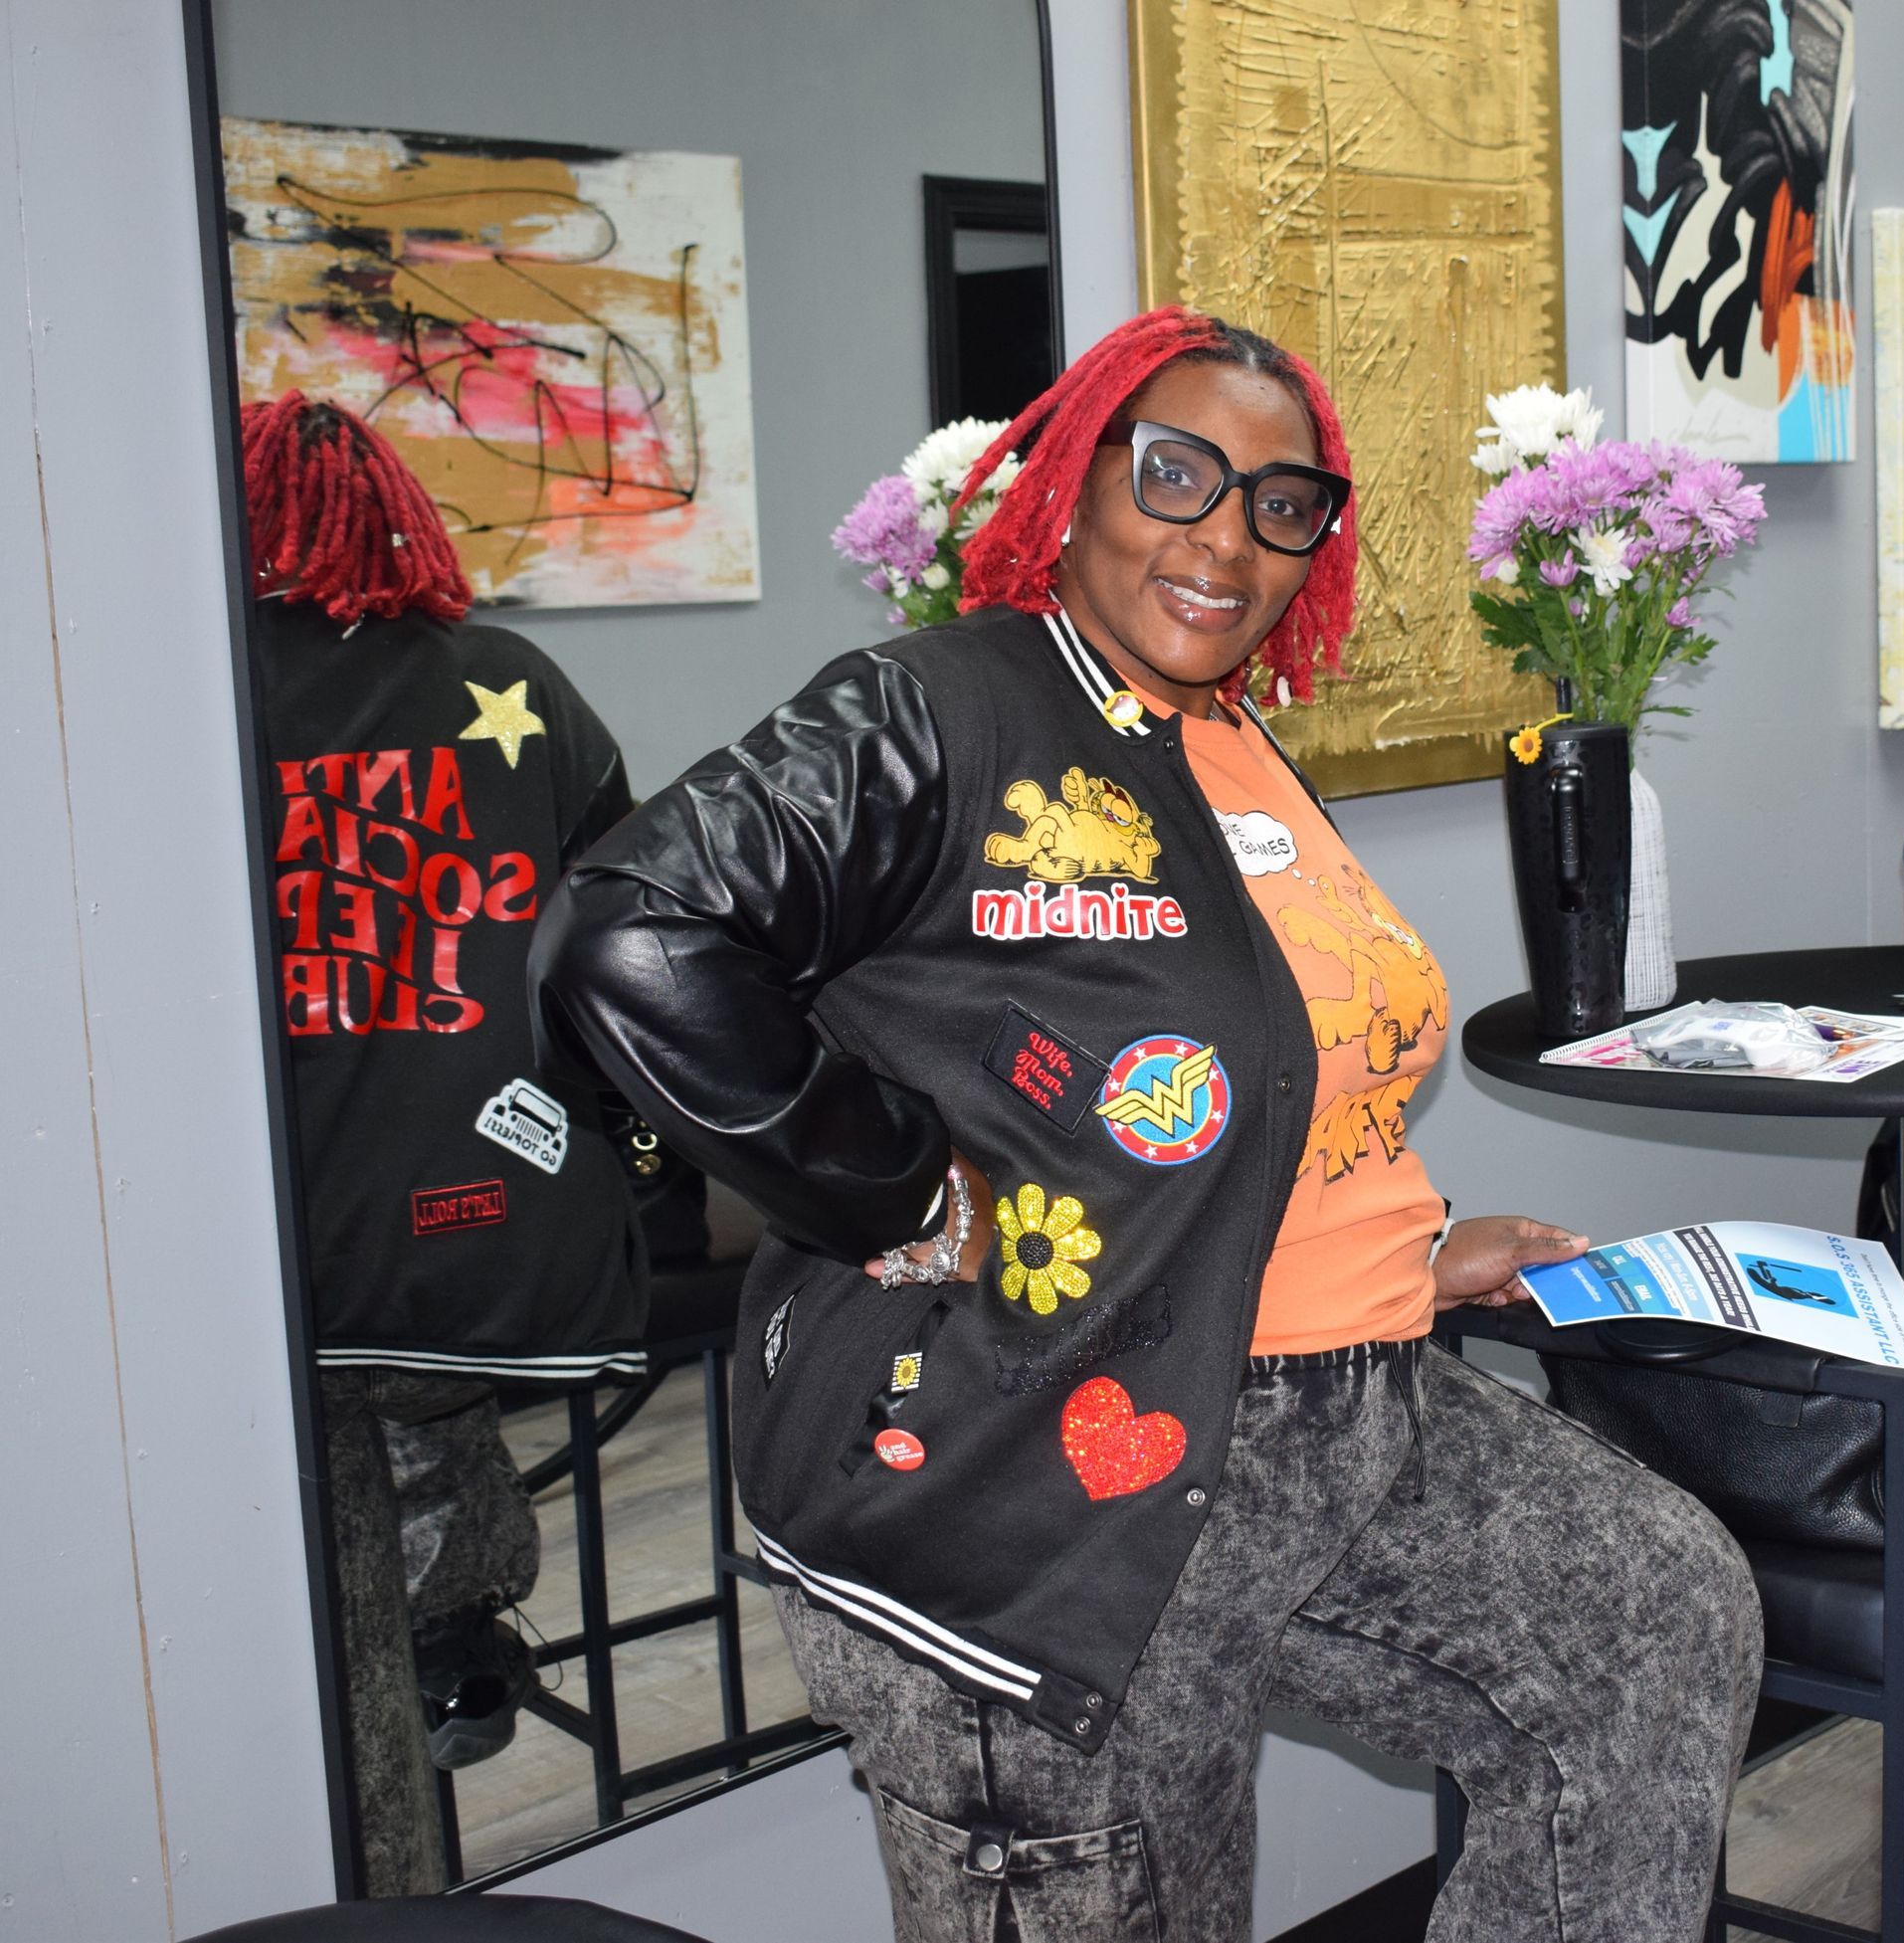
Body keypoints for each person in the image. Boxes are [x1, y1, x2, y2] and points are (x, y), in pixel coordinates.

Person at [528, 308, 1762, 1941]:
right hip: (1047, 1467)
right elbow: (632, 937)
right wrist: (897, 1195)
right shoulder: (939, 705)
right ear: (1073, 476)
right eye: (1176, 473)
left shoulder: (1228, 737)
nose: (1224, 538)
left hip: (1338, 1407)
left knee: (1652, 1620)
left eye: (1280, 502)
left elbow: (1258, 1065)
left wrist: (1408, 1245)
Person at [243, 393, 649, 1894]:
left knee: (331, 1568)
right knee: (431, 1417)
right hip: (497, 1244)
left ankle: (408, 1710)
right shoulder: (510, 682)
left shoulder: (198, 698)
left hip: (292, 1261)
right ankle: (463, 1625)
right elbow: (629, 932)